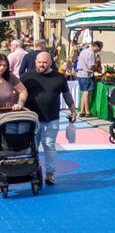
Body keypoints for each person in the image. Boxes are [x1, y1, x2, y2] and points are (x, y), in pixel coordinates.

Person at [22, 50, 75, 185]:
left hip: (52, 118)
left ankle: (50, 173)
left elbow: (67, 95)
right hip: (32, 119)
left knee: (49, 145)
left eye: (45, 62)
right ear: (35, 62)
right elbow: (19, 94)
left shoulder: (59, 77)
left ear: (51, 62)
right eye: (39, 62)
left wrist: (73, 110)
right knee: (32, 147)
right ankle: (33, 171)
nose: (41, 65)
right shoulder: (27, 77)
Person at [75, 40, 103, 117]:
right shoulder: (91, 52)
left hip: (80, 74)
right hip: (86, 74)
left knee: (84, 93)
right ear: (96, 46)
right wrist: (98, 70)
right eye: (100, 48)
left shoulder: (84, 50)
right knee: (86, 93)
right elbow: (91, 66)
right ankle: (87, 112)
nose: (100, 50)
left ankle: (82, 111)